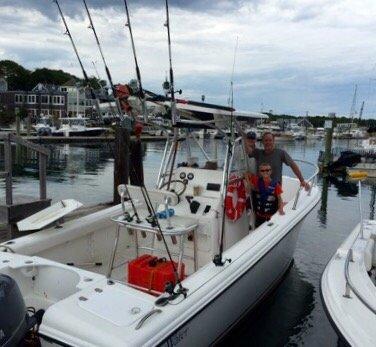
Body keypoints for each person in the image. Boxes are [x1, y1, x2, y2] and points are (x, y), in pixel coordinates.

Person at [244, 131, 310, 190]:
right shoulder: (258, 153)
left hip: (275, 189)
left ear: (273, 141)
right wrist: (245, 139)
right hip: (260, 188)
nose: (268, 142)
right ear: (262, 142)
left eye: (270, 140)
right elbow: (248, 151)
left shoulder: (280, 153)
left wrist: (302, 181)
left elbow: (293, 165)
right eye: (266, 140)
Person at [248, 163, 284, 227]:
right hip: (259, 217)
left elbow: (279, 199)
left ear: (271, 171)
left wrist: (281, 208)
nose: (265, 172)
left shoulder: (276, 185)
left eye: (267, 170)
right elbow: (246, 174)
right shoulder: (257, 181)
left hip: (271, 217)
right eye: (262, 171)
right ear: (260, 172)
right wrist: (250, 185)